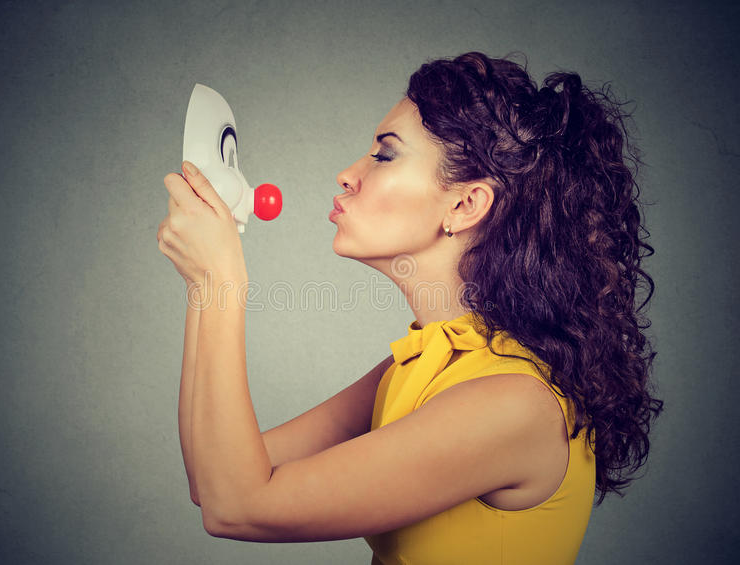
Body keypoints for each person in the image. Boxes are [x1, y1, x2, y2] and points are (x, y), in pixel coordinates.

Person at [156, 51, 663, 565]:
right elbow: (210, 477)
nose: (346, 174)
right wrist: (203, 286)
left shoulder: (514, 402)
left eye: (384, 155)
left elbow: (237, 507)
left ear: (465, 205)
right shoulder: (426, 363)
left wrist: (222, 280)